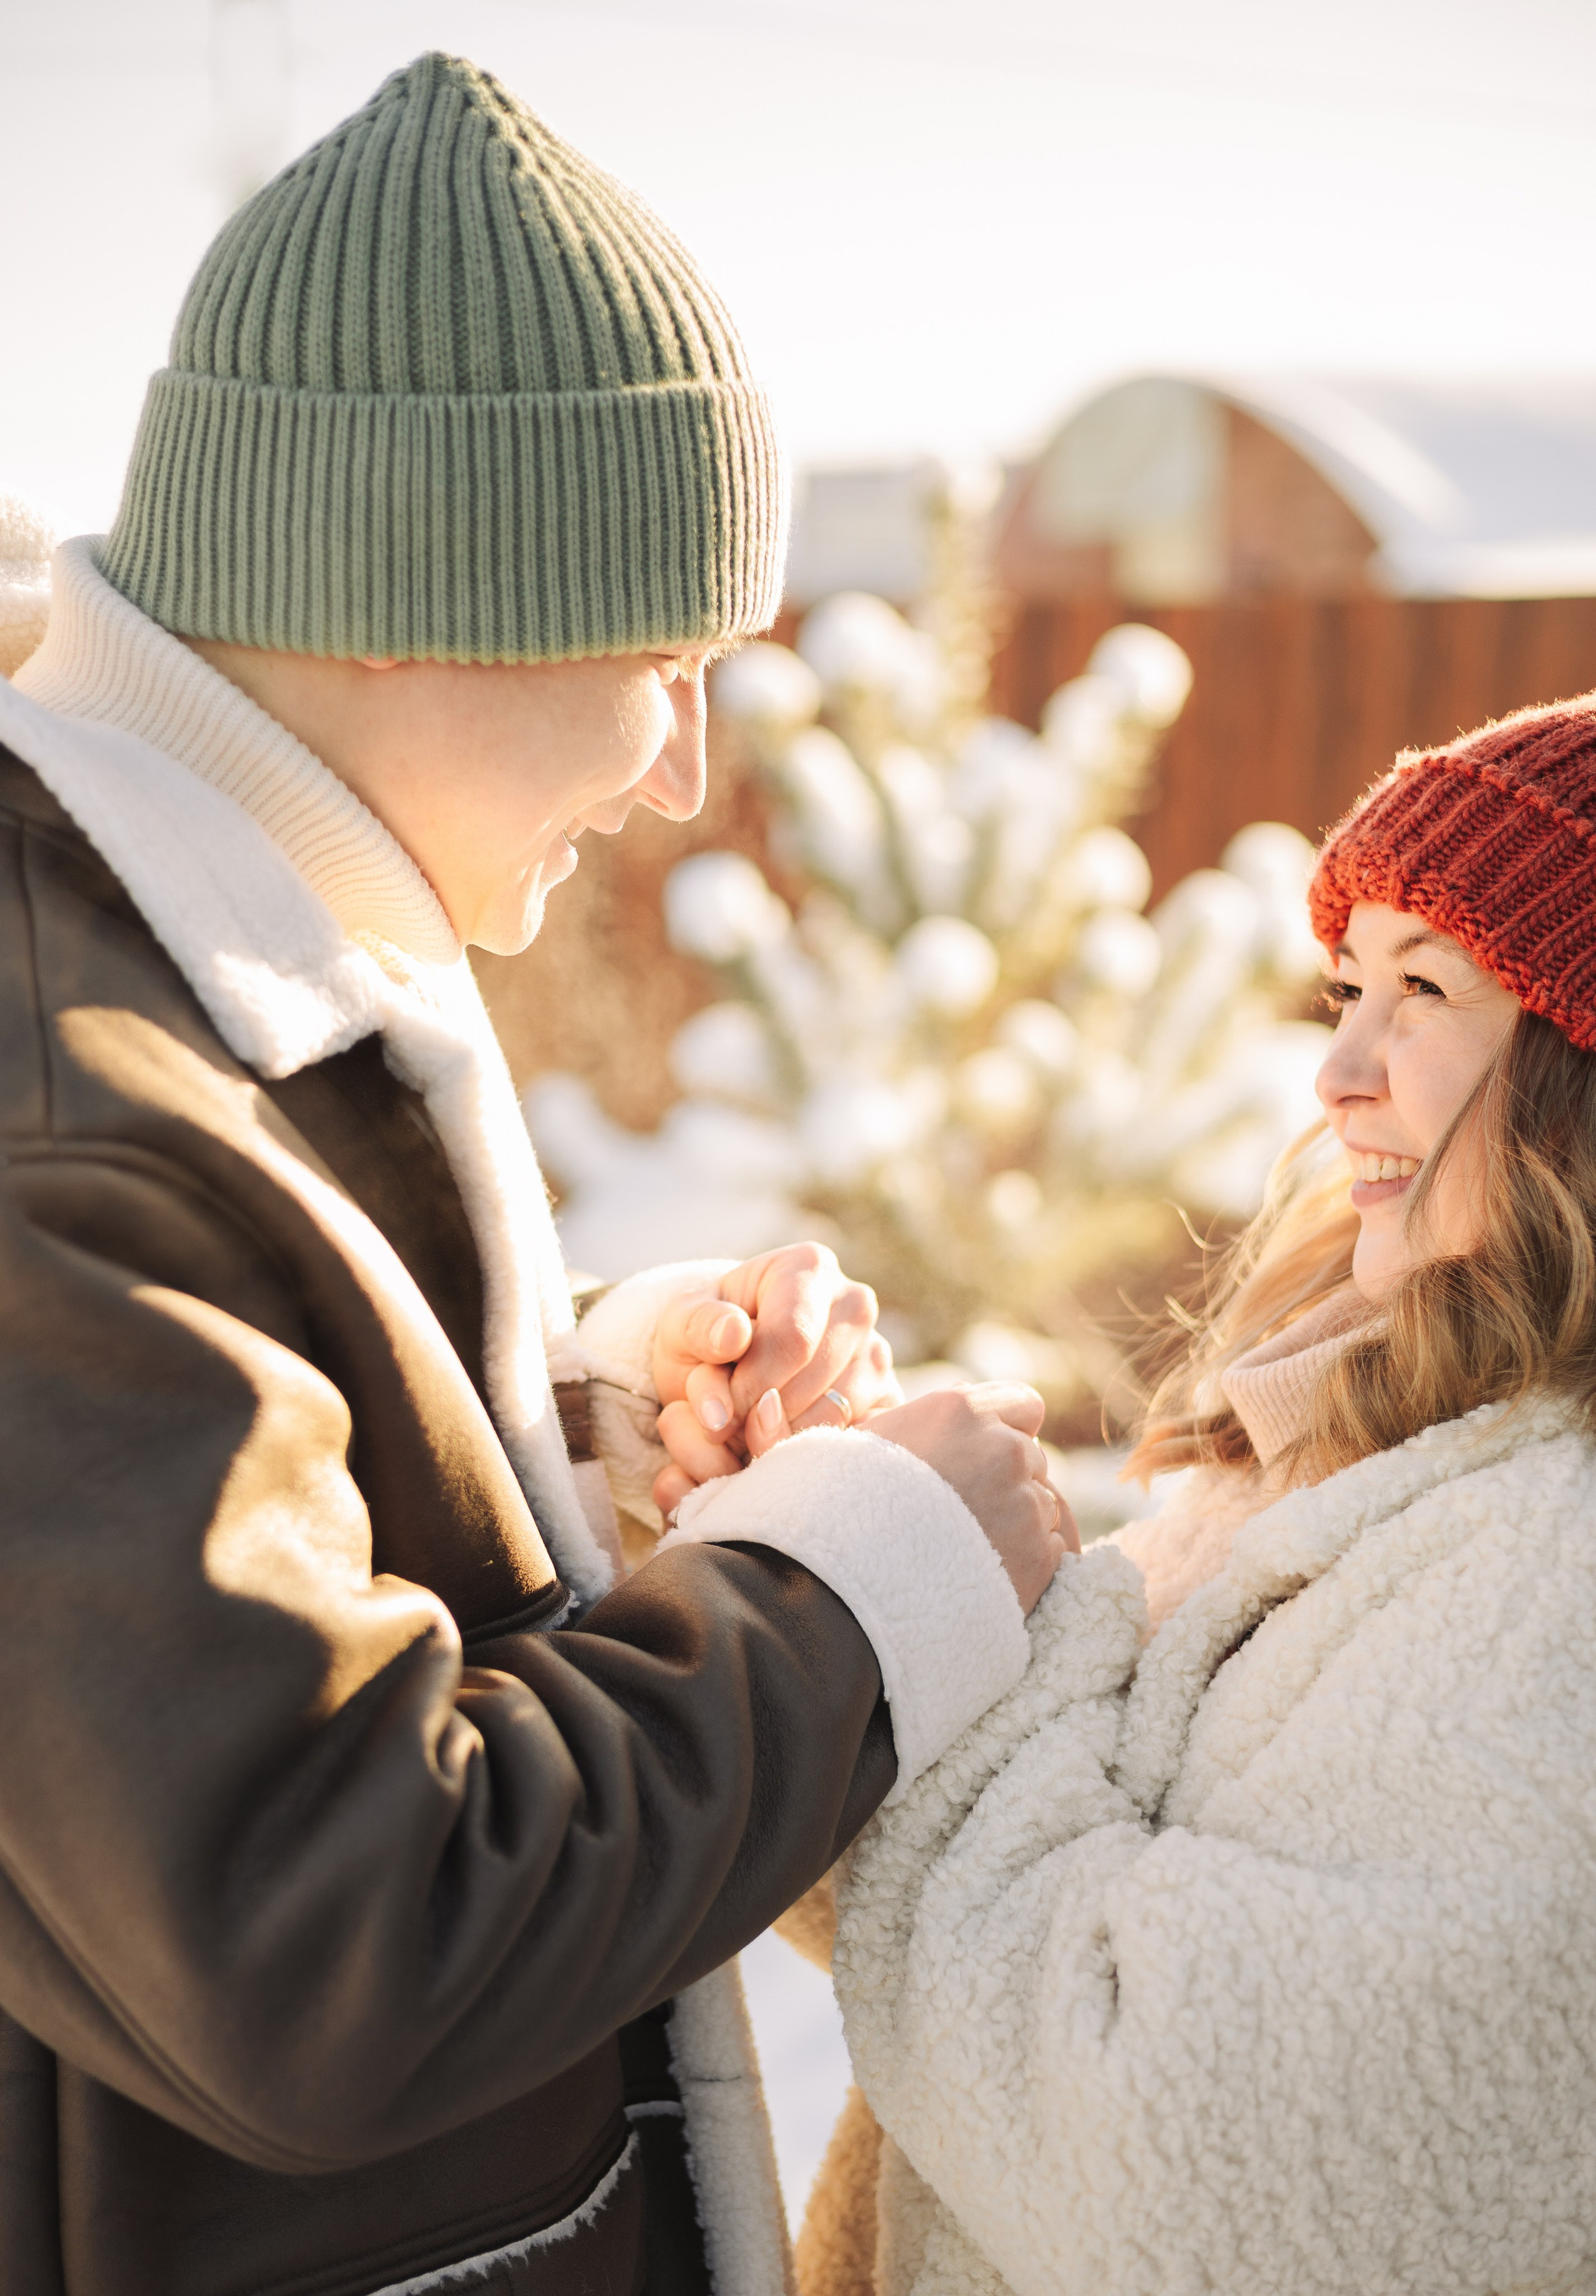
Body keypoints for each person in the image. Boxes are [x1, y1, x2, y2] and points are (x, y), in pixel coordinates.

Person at [0, 54, 1070, 2296]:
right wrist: (855, 1592)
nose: (683, 774)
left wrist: (563, 1425)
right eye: (664, 658)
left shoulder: (178, 952)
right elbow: (330, 1935)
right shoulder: (63, 1117)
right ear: (407, 582)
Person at [792, 695, 1596, 2296]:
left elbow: (1172, 2175)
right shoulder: (1362, 1427)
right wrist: (820, 1585)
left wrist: (949, 1619)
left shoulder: (1548, 1574)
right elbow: (988, 1932)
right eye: (1346, 987)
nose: (1338, 1071)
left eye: (1423, 988)